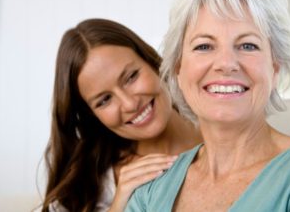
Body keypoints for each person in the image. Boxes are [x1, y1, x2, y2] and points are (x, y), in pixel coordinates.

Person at [125, 0, 290, 211]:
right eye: (204, 46)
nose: (226, 63)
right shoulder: (151, 188)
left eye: (248, 45)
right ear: (178, 69)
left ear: (275, 68)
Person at [41, 18, 201, 212]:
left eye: (131, 77)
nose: (130, 103)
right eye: (104, 100)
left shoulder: (226, 128)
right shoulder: (89, 189)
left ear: (151, 60)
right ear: (92, 115)